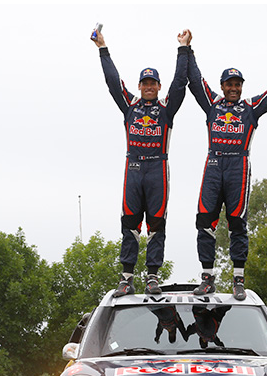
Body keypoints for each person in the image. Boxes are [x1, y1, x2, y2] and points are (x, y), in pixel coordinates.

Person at [187, 42, 267, 300]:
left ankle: (238, 279)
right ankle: (207, 277)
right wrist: (187, 50)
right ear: (222, 87)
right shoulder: (212, 104)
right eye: (229, 84)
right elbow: (195, 80)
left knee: (237, 223)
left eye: (237, 84)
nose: (233, 88)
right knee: (204, 221)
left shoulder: (250, 108)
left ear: (242, 86)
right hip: (213, 164)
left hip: (238, 166)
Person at [92, 28, 192, 296]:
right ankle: (126, 277)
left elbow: (180, 84)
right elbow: (113, 81)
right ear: (139, 86)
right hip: (133, 167)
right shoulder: (130, 106)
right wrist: (103, 48)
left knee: (156, 224)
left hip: (158, 168)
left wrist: (183, 49)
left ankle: (152, 277)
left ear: (158, 87)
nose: (149, 87)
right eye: (145, 83)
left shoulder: (166, 108)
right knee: (130, 224)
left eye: (153, 83)